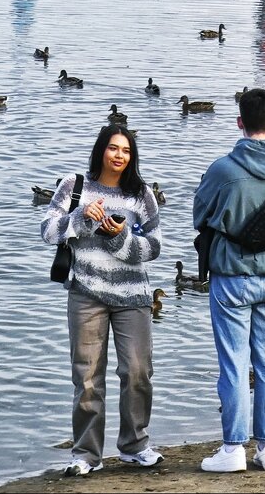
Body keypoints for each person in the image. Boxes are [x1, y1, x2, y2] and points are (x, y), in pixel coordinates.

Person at [40, 125, 164, 477]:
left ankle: (134, 446)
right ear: (101, 150)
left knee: (137, 372)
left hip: (133, 296)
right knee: (87, 377)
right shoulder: (74, 185)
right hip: (86, 294)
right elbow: (48, 231)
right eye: (113, 148)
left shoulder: (142, 194)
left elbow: (154, 247)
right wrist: (80, 218)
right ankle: (86, 455)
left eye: (126, 150)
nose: (119, 155)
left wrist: (117, 236)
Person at [192, 88, 265, 473]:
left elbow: (199, 216)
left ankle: (233, 449)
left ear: (239, 121)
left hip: (232, 280)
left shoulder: (222, 169)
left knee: (235, 365)